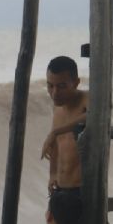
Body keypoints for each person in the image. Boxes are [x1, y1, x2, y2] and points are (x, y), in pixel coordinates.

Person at [41, 56, 88, 196]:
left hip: (81, 191)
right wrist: (52, 174)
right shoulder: (57, 109)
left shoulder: (86, 99)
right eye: (50, 86)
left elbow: (93, 116)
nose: (54, 93)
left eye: (62, 86)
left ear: (76, 83)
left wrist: (55, 132)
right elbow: (55, 147)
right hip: (59, 188)